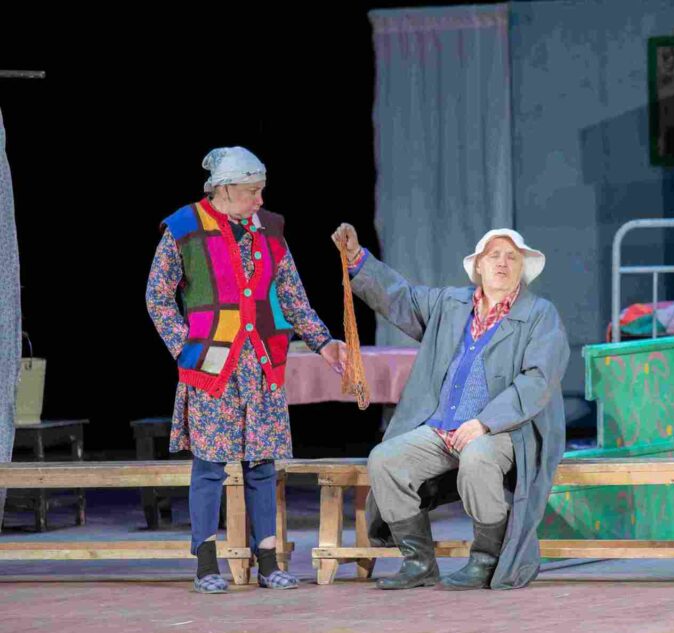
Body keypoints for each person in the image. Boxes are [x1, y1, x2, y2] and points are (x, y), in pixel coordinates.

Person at [147, 147, 345, 593]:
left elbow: (293, 297)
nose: (260, 200)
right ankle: (205, 566)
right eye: (252, 191)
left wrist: (324, 341)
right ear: (224, 189)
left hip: (260, 365)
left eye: (261, 191)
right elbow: (158, 297)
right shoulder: (184, 228)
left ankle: (269, 563)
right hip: (212, 368)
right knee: (209, 468)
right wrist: (185, 349)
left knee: (261, 466)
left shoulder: (270, 229)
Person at [331, 224, 569, 590]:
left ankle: (486, 560)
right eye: (494, 256)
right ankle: (418, 562)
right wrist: (357, 259)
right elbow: (401, 298)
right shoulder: (450, 305)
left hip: (506, 430)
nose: (502, 263)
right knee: (386, 460)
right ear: (478, 266)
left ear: (522, 268)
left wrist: (485, 423)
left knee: (477, 456)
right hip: (442, 427)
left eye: (512, 257)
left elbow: (538, 379)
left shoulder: (539, 314)